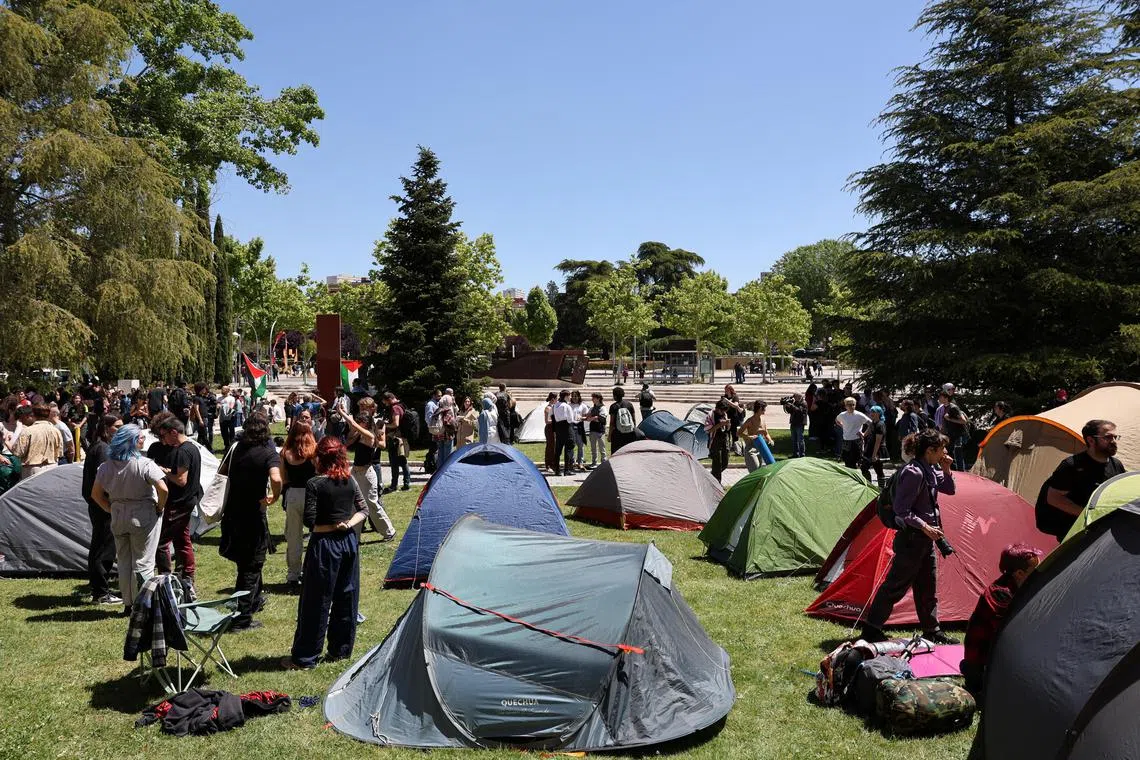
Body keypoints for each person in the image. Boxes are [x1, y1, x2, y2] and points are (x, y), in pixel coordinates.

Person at [860, 429, 958, 645]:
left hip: (926, 539)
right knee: (895, 586)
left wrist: (946, 468)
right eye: (942, 449)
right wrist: (925, 527)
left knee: (927, 586)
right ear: (930, 450)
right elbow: (901, 509)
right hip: (912, 538)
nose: (945, 452)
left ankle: (931, 631)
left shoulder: (933, 468)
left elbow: (950, 490)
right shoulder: (913, 472)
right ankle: (871, 629)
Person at [283, 437, 367, 670]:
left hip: (325, 545)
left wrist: (333, 525)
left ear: (319, 458)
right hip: (348, 542)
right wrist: (348, 523)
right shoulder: (349, 480)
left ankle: (305, 657)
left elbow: (311, 521)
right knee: (346, 595)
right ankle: (340, 650)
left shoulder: (315, 484)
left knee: (316, 600)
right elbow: (364, 510)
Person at [91, 424, 168, 612]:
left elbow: (96, 494)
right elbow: (163, 488)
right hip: (142, 514)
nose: (143, 440)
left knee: (124, 561)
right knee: (143, 561)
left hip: (118, 514)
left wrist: (110, 509)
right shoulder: (144, 463)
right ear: (132, 441)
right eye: (141, 437)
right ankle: (143, 604)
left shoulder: (106, 466)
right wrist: (160, 506)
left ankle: (128, 603)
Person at [217, 413, 281, 631]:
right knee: (250, 566)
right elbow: (276, 478)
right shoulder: (267, 452)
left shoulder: (235, 448)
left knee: (247, 561)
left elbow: (221, 473)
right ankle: (242, 619)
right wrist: (275, 495)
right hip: (253, 514)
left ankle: (255, 600)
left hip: (233, 512)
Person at [960, 543, 1043, 705]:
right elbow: (1011, 636)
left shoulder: (1018, 587)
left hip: (996, 658)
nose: (1040, 574)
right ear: (1020, 573)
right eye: (1036, 570)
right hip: (984, 665)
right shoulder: (1000, 594)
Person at [1036, 419, 1125, 541]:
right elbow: (1053, 498)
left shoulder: (1116, 465)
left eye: (1115, 437)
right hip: (1074, 533)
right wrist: (1088, 515)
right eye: (1108, 437)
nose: (1114, 442)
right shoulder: (1072, 465)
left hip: (1104, 530)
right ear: (1091, 440)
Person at [148, 416, 203, 600]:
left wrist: (163, 471)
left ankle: (165, 581)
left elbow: (181, 480)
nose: (163, 441)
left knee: (162, 542)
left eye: (164, 436)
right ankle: (187, 579)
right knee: (182, 539)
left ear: (173, 432)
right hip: (188, 501)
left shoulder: (182, 451)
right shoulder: (193, 447)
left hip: (178, 502)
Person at [83, 414, 122, 604]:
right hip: (102, 506)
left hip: (100, 505)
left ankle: (101, 590)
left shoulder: (100, 447)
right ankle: (100, 593)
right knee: (103, 549)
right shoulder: (102, 450)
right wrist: (108, 506)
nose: (120, 430)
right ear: (107, 428)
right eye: (117, 426)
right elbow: (102, 483)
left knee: (103, 546)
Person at [345, 412, 396, 540]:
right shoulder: (361, 435)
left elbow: (353, 424)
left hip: (367, 474)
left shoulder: (370, 436)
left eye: (360, 421)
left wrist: (342, 413)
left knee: (371, 504)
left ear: (365, 423)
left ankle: (389, 531)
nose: (357, 423)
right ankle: (353, 535)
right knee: (353, 503)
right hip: (355, 471)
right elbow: (351, 432)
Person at [281, 422, 318, 592]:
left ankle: (293, 575)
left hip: (293, 494)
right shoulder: (315, 451)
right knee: (318, 533)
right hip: (312, 493)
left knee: (293, 537)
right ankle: (313, 571)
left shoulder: (286, 453)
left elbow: (284, 478)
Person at [12, 403, 63, 478]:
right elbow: (60, 453)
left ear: (33, 414)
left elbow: (19, 452)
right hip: (52, 468)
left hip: (32, 470)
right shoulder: (56, 431)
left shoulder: (27, 431)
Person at [381, 392, 411, 492]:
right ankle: (406, 484)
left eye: (385, 402)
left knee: (394, 463)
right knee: (403, 461)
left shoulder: (395, 408)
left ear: (389, 399)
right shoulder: (401, 405)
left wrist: (385, 425)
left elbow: (395, 424)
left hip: (395, 439)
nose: (385, 405)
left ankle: (394, 486)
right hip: (401, 438)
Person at [834, 397, 871, 470]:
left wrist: (864, 434)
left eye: (853, 404)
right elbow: (837, 420)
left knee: (858, 461)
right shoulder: (842, 415)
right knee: (847, 462)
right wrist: (842, 426)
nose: (851, 406)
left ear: (855, 405)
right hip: (846, 440)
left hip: (856, 441)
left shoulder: (859, 415)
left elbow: (871, 424)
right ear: (845, 406)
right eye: (848, 405)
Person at [937, 391, 970, 470]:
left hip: (957, 435)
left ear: (946, 398)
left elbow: (963, 421)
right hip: (949, 435)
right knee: (949, 453)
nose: (939, 399)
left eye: (940, 397)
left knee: (957, 454)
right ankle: (952, 471)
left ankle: (961, 473)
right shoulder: (944, 407)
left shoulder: (953, 407)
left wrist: (949, 419)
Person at [739, 400, 774, 471]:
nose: (765, 410)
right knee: (755, 470)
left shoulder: (763, 420)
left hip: (761, 448)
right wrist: (748, 437)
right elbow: (739, 433)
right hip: (751, 449)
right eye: (764, 408)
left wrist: (770, 440)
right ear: (760, 408)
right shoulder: (750, 421)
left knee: (759, 471)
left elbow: (766, 433)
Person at [706, 400, 733, 483]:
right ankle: (717, 482)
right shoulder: (711, 415)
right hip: (715, 441)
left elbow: (727, 429)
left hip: (724, 440)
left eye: (725, 411)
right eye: (722, 410)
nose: (723, 412)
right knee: (717, 463)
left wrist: (728, 425)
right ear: (718, 408)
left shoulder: (724, 414)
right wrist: (719, 425)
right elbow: (708, 430)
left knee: (725, 463)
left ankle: (712, 476)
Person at [861, 405, 888, 486]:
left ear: (879, 413)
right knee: (864, 468)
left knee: (878, 470)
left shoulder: (880, 424)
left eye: (874, 412)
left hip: (877, 450)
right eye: (871, 411)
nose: (871, 413)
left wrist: (874, 455)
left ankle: (882, 489)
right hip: (870, 449)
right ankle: (869, 486)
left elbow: (878, 442)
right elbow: (864, 434)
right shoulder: (872, 423)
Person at [608, 386, 638, 454]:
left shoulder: (613, 406)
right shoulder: (629, 404)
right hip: (629, 432)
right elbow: (633, 419)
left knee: (616, 452)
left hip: (617, 433)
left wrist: (609, 435)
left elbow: (612, 422)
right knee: (627, 452)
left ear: (615, 396)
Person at [552, 389, 575, 476]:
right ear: (566, 396)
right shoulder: (566, 406)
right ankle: (566, 470)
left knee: (558, 450)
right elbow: (570, 419)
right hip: (567, 428)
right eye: (569, 396)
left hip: (558, 428)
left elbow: (555, 417)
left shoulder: (555, 405)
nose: (570, 398)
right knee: (568, 449)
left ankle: (557, 470)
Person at [433, 394, 457, 465]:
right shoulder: (448, 411)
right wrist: (456, 422)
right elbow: (452, 424)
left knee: (440, 455)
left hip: (438, 435)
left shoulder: (438, 410)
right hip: (447, 435)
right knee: (448, 456)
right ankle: (445, 472)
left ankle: (439, 471)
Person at [585, 392, 607, 469]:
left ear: (598, 399)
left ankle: (604, 463)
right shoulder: (592, 408)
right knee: (593, 448)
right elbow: (587, 416)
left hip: (600, 431)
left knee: (602, 448)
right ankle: (594, 463)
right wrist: (593, 418)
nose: (592, 399)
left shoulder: (603, 408)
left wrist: (593, 418)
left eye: (593, 398)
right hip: (592, 430)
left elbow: (601, 419)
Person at [720, 385, 746, 450]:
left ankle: (735, 447)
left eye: (726, 390)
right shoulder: (724, 397)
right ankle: (727, 446)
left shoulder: (735, 397)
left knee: (734, 433)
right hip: (726, 417)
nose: (725, 391)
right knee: (726, 432)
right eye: (725, 390)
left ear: (730, 390)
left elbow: (735, 405)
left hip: (734, 417)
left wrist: (727, 401)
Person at [783, 393, 808, 458]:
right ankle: (795, 454)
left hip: (800, 423)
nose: (794, 398)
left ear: (799, 397)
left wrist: (791, 405)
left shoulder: (804, 403)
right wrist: (786, 405)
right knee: (794, 440)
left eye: (795, 397)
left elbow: (799, 411)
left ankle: (802, 454)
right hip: (793, 423)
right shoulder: (794, 402)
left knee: (800, 439)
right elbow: (790, 411)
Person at [423, 389, 441, 474]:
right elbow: (428, 417)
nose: (440, 397)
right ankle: (431, 466)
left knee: (435, 448)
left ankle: (432, 465)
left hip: (436, 429)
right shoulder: (430, 404)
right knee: (434, 448)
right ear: (433, 395)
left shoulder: (437, 403)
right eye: (438, 396)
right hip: (432, 430)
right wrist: (431, 427)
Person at [570, 390, 588, 470]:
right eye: (573, 396)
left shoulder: (583, 406)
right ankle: (572, 462)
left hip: (580, 426)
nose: (574, 398)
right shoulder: (569, 405)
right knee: (572, 445)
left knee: (580, 445)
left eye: (576, 396)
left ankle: (580, 462)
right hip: (571, 426)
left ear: (579, 397)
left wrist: (582, 418)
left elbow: (587, 416)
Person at [541, 392, 557, 471]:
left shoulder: (554, 407)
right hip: (549, 428)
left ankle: (553, 463)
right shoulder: (548, 408)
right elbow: (547, 421)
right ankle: (548, 464)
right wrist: (555, 420)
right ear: (553, 399)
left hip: (554, 428)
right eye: (556, 399)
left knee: (553, 446)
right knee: (550, 447)